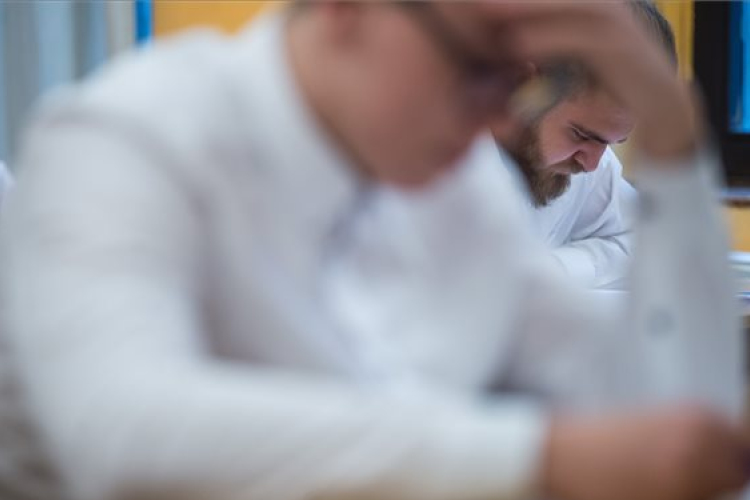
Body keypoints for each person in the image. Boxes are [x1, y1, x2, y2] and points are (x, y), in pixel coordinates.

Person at [0, 3, 746, 500]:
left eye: (523, 82)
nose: (499, 118)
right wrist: (540, 455)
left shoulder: (452, 180)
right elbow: (124, 432)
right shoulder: (128, 137)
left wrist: (675, 142)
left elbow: (674, 409)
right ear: (348, 11)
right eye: (475, 66)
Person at [489, 0, 678, 289]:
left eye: (614, 142)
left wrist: (552, 271)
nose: (591, 165)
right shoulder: (434, 161)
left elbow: (646, 237)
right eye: (580, 134)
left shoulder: (586, 164)